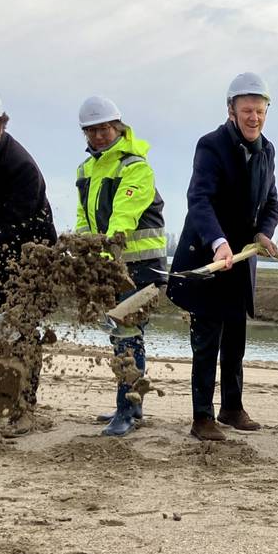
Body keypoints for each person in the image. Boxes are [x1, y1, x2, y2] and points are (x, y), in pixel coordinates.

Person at [167, 73, 278, 442]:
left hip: (241, 260)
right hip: (209, 257)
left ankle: (232, 406)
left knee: (235, 339)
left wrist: (264, 232)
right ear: (231, 110)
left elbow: (272, 203)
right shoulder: (211, 146)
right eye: (247, 110)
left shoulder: (268, 150)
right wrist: (217, 240)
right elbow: (198, 200)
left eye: (260, 111)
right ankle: (202, 416)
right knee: (207, 341)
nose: (254, 118)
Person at [75, 96, 167, 436]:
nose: (98, 136)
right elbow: (85, 218)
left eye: (104, 128)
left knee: (128, 337)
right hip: (112, 267)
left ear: (118, 127)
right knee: (120, 338)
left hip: (142, 270)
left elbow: (121, 219)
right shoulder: (86, 170)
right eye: (91, 131)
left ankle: (127, 411)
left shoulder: (135, 167)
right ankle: (131, 404)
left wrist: (104, 255)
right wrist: (85, 252)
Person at [0, 86, 57, 436]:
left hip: (29, 260)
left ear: (1, 123)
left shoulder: (20, 167)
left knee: (21, 333)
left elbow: (13, 228)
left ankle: (25, 410)